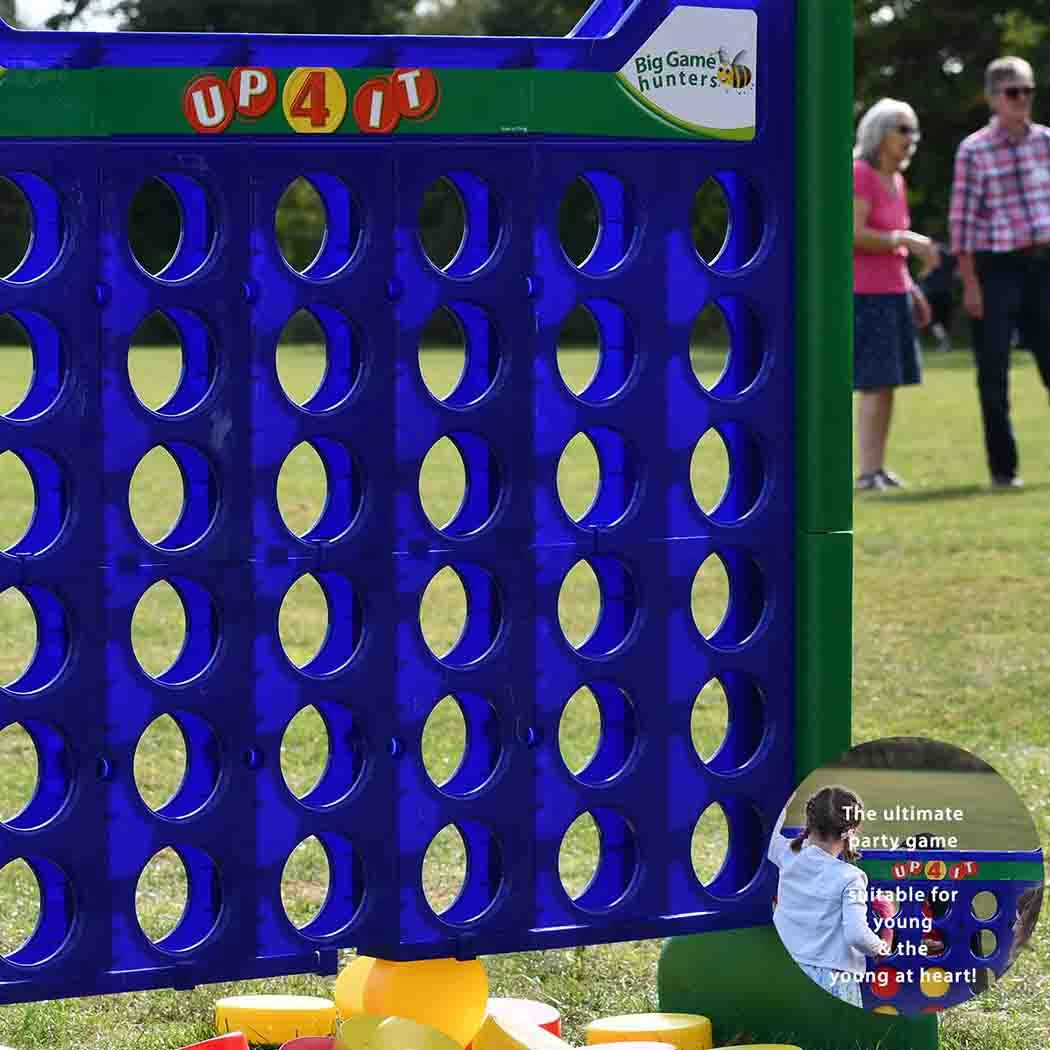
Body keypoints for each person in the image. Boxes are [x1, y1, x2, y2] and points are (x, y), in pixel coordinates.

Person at [950, 56, 1050, 489]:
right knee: (993, 374)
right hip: (996, 270)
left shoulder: (1046, 141)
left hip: (1044, 265)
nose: (1022, 99)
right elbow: (962, 224)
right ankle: (1003, 470)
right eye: (1013, 92)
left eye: (1028, 91)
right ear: (993, 98)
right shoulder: (974, 150)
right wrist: (971, 283)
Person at [853, 98, 939, 491]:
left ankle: (877, 468)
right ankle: (867, 472)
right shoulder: (861, 174)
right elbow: (854, 235)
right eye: (902, 129)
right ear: (878, 132)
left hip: (893, 291)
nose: (911, 138)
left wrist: (913, 290)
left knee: (887, 384)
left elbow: (892, 252)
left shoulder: (897, 181)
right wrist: (904, 238)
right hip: (865, 293)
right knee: (873, 383)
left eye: (913, 130)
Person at [768, 786, 891, 1008]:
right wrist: (879, 947)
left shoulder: (788, 853)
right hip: (832, 978)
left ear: (810, 820)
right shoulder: (851, 877)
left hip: (788, 968)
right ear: (849, 832)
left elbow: (768, 836)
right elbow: (857, 935)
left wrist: (783, 803)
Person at [919, 242, 958, 351]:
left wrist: (921, 277)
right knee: (945, 320)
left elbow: (927, 271)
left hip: (933, 292)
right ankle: (946, 341)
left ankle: (944, 341)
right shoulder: (951, 255)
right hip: (948, 292)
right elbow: (957, 273)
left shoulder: (932, 251)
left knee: (933, 320)